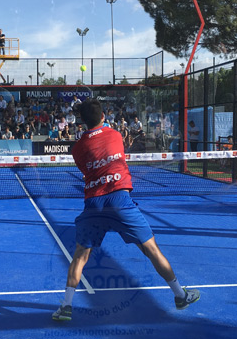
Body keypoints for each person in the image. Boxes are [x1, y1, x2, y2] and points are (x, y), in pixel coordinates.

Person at [52, 99, 199, 321]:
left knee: (80, 257)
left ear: (81, 121)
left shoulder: (78, 147)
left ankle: (66, 306)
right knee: (151, 249)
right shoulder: (115, 135)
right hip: (120, 200)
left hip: (93, 203)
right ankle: (180, 295)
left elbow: (86, 169)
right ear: (103, 117)